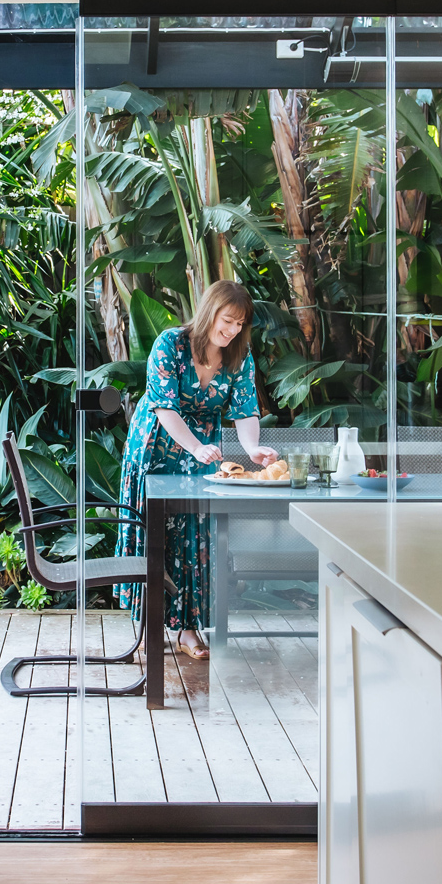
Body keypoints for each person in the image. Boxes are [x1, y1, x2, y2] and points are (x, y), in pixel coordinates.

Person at [115, 280, 278, 660]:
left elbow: (245, 410)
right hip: (156, 446)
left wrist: (252, 447)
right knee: (153, 534)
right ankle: (148, 625)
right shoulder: (170, 344)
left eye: (240, 324)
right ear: (210, 312)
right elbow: (164, 407)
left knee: (194, 539)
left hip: (201, 457)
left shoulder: (239, 356)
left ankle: (189, 631)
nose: (233, 330)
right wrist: (195, 445)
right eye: (228, 320)